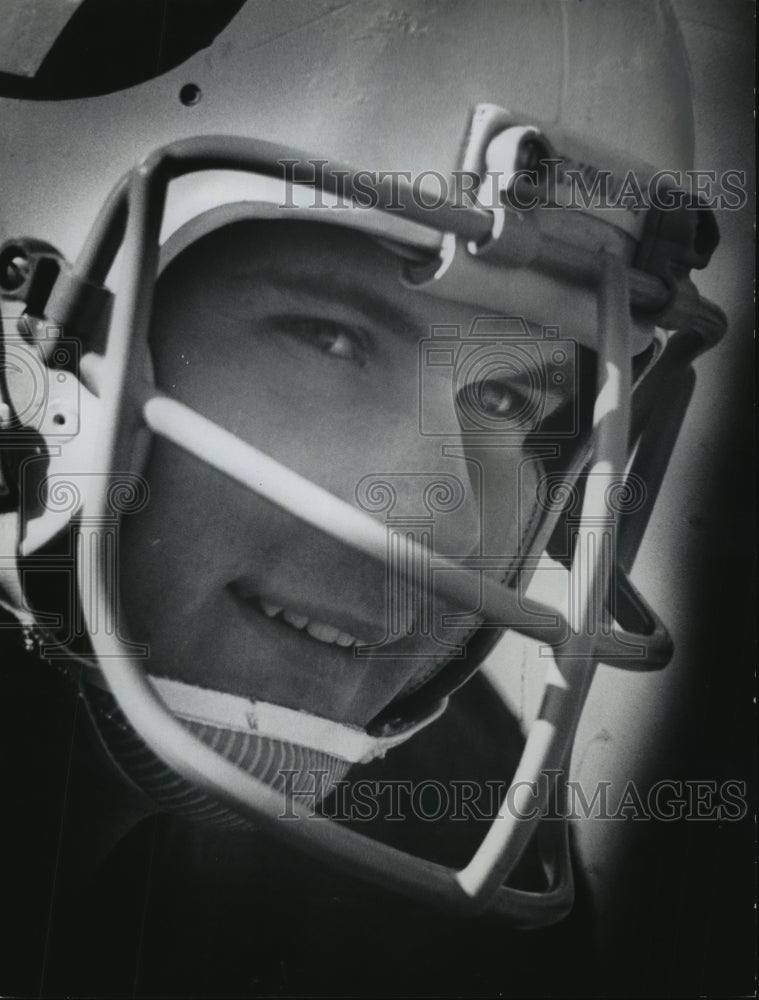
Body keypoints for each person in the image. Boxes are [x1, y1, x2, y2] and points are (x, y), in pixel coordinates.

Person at [0, 2, 753, 996]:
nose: (448, 522)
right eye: (330, 339)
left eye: (504, 397)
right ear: (32, 341)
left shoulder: (447, 806)